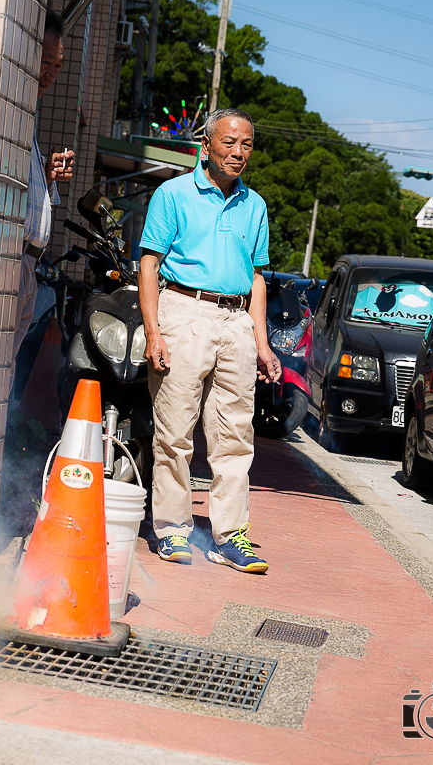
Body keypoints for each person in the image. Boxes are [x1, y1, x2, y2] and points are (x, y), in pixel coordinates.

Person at [137, 108, 281, 573]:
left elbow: (258, 277)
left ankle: (228, 536)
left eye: (247, 145)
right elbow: (149, 265)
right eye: (230, 143)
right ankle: (173, 530)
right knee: (175, 431)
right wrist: (154, 331)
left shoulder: (254, 206)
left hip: (236, 319)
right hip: (183, 311)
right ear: (207, 143)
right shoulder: (172, 194)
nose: (239, 153)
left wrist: (262, 342)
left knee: (235, 436)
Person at [11, 15, 75, 388]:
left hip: (29, 263)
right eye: (45, 62)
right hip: (12, 257)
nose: (50, 73)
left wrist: (48, 175)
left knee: (7, 365)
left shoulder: (28, 116)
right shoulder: (11, 108)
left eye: (57, 66)